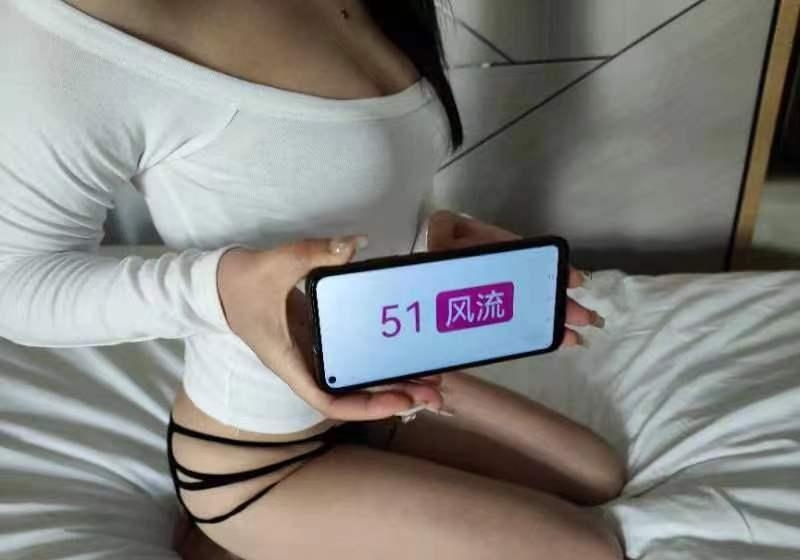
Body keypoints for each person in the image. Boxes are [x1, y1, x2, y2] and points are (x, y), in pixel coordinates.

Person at [0, 1, 624, 559]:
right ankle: (232, 536)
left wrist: (427, 240)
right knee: (586, 551)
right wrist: (216, 290)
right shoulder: (75, 29)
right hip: (258, 460)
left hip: (377, 374)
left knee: (596, 475)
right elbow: (14, 283)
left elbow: (333, 173)